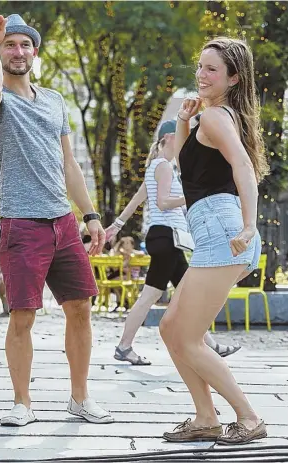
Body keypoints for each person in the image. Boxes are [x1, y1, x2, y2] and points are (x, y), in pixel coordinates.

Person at [0, 13, 112, 426]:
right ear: (0, 53)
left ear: (35, 51)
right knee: (23, 315)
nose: (18, 51)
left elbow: (69, 163)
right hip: (21, 223)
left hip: (63, 222)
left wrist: (90, 217)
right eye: (9, 45)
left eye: (24, 45)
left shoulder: (54, 99)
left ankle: (80, 398)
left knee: (80, 309)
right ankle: (23, 403)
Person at [159, 37, 269, 444]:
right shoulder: (211, 118)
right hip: (210, 231)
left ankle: (249, 417)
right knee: (171, 328)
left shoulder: (217, 118)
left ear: (233, 78)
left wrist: (248, 225)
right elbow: (193, 169)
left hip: (224, 232)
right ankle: (205, 417)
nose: (201, 76)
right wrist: (185, 122)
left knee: (187, 337)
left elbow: (243, 167)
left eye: (211, 70)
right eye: (199, 67)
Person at [105, 121, 241, 365]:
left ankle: (210, 346)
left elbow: (138, 199)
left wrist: (116, 225)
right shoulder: (164, 167)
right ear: (169, 138)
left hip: (167, 239)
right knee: (151, 295)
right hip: (167, 237)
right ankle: (124, 346)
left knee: (187, 294)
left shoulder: (155, 167)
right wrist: (193, 196)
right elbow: (164, 202)